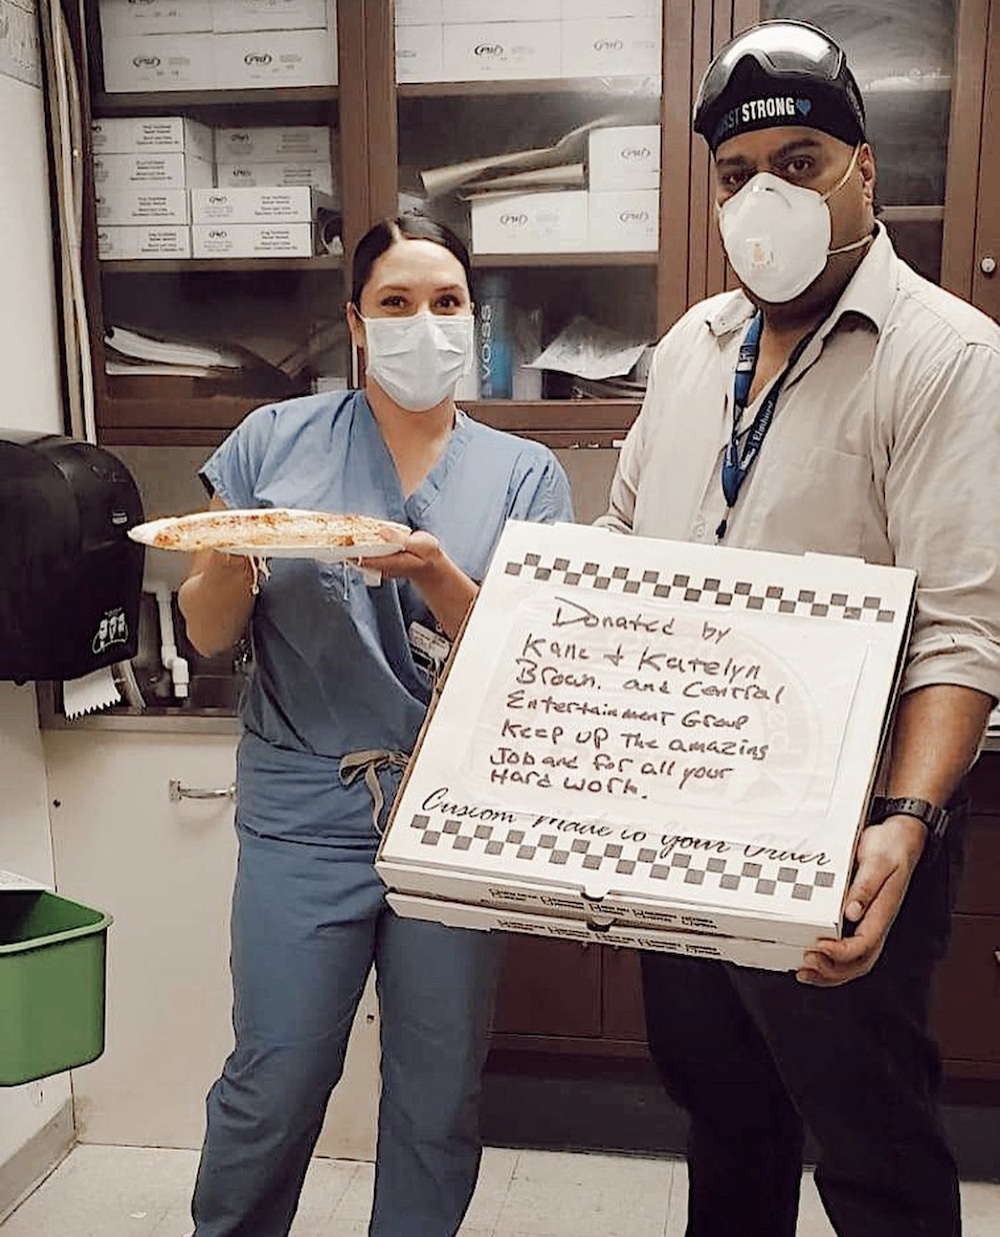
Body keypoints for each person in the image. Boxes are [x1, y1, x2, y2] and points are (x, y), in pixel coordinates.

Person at [598, 20, 1000, 1237]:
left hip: (843, 827)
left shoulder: (945, 357)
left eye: (803, 161)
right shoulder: (686, 350)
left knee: (870, 1141)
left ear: (862, 170)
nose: (766, 194)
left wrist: (906, 822)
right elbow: (618, 553)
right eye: (736, 174)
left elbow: (962, 633)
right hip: (681, 804)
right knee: (722, 1113)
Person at [178, 214, 573, 1237]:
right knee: (274, 1081)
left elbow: (529, 663)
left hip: (452, 816)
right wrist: (228, 557)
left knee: (437, 1097)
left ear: (471, 321)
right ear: (356, 322)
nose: (421, 324)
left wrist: (441, 576)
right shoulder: (274, 442)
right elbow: (210, 630)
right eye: (394, 303)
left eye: (444, 303)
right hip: (305, 811)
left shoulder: (524, 475)